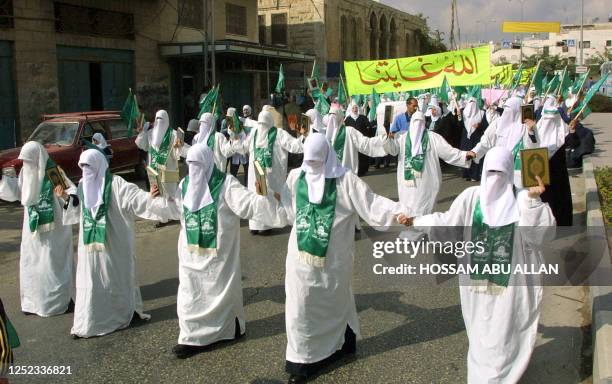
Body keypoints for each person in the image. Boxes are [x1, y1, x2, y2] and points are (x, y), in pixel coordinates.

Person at [399, 147, 555, 383]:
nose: (495, 179)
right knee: (481, 334)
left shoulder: (522, 198)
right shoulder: (472, 197)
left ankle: (503, 375)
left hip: (510, 286)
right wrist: (417, 221)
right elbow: (448, 222)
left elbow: (543, 234)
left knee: (504, 334)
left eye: (500, 172)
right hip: (476, 285)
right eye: (490, 172)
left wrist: (533, 201)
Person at [279, 134, 403, 384]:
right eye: (308, 162)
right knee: (299, 306)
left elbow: (371, 203)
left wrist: (399, 212)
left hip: (333, 262)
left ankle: (337, 343)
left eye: (317, 162)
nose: (312, 168)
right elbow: (289, 208)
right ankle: (301, 358)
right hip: (300, 260)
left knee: (334, 300)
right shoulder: (296, 177)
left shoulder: (345, 181)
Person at [147, 143, 287, 359]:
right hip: (190, 256)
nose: (193, 170)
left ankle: (227, 330)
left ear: (207, 164)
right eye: (190, 165)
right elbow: (177, 210)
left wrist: (262, 196)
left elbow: (248, 205)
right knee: (189, 297)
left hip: (217, 260)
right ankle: (191, 337)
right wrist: (159, 198)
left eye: (197, 165)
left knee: (217, 294)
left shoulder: (226, 185)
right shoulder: (185, 184)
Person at [58, 149, 159, 338]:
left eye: (89, 166)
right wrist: (65, 198)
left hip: (114, 245)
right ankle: (88, 321)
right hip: (89, 248)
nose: (86, 171)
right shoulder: (82, 185)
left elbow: (135, 199)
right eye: (83, 167)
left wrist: (149, 196)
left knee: (115, 277)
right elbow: (77, 209)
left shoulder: (116, 184)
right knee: (90, 281)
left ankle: (120, 313)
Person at [0, 142, 76, 317]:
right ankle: (33, 303)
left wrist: (64, 196)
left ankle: (60, 301)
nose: (26, 165)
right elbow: (18, 193)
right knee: (32, 265)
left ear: (38, 158)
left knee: (52, 267)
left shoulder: (53, 173)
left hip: (53, 233)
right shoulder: (26, 173)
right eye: (24, 161)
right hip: (32, 232)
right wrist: (3, 180)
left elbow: (72, 193)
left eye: (29, 161)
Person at [382, 111, 474, 216]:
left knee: (425, 208)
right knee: (408, 209)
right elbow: (392, 150)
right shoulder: (402, 138)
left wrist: (464, 155)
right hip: (407, 184)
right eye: (415, 122)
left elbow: (448, 152)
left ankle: (425, 228)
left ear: (424, 123)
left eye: (420, 122)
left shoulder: (433, 137)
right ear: (411, 123)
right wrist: (387, 136)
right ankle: (410, 229)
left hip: (426, 183)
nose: (418, 125)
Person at [231, 110, 306, 236]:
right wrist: (304, 137)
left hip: (262, 174)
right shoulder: (272, 133)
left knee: (262, 197)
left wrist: (235, 140)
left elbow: (242, 147)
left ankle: (258, 226)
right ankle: (260, 225)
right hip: (261, 174)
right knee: (262, 196)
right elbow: (294, 146)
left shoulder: (263, 133)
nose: (262, 127)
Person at [524, 96, 580, 226]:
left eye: (553, 118)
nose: (550, 122)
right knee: (542, 197)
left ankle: (561, 223)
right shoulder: (536, 128)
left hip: (558, 173)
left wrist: (572, 130)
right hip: (540, 171)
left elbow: (573, 143)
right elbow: (530, 145)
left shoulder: (562, 129)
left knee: (560, 199)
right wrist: (531, 132)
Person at [471, 96, 540, 188]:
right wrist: (475, 152)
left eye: (510, 109)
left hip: (518, 170)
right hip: (499, 165)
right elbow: (486, 141)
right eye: (505, 109)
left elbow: (534, 148)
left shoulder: (527, 125)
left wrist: (531, 131)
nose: (507, 112)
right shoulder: (498, 123)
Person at [325, 106, 386, 176]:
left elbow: (365, 143)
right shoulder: (325, 136)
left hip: (346, 175)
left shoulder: (349, 131)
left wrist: (382, 139)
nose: (332, 118)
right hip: (335, 177)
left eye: (334, 116)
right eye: (331, 116)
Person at [135, 109, 181, 197]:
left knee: (170, 196)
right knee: (156, 197)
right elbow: (141, 145)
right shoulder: (149, 134)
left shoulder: (174, 135)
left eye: (162, 119)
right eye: (158, 119)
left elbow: (181, 152)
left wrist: (179, 146)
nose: (159, 122)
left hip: (169, 173)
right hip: (153, 172)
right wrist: (141, 132)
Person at [344, 101, 375, 176]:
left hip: (362, 139)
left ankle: (363, 170)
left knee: (363, 155)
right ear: (351, 109)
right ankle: (356, 170)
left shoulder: (362, 117)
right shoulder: (347, 119)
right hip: (353, 141)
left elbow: (368, 126)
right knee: (355, 155)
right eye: (353, 108)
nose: (355, 109)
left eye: (356, 108)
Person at [460, 97, 485, 181]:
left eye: (473, 103)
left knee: (475, 155)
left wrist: (479, 126)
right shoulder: (463, 113)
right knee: (466, 155)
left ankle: (475, 175)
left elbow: (485, 125)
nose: (472, 105)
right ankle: (466, 174)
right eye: (470, 102)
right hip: (466, 138)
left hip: (476, 137)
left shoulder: (481, 113)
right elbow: (459, 124)